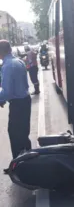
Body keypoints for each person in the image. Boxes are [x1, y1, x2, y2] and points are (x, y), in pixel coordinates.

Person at [0, 40, 32, 172]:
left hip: (18, 104)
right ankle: (30, 162)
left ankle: (17, 167)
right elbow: (24, 85)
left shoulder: (8, 66)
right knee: (23, 134)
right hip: (25, 100)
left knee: (14, 134)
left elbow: (7, 92)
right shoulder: (18, 62)